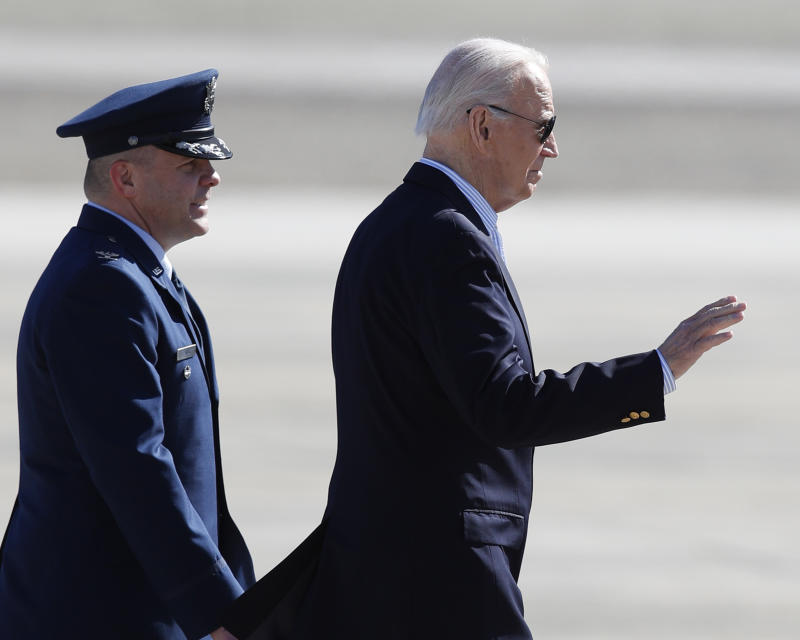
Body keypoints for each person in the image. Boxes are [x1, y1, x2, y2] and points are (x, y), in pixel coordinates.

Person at [220, 38, 746, 639]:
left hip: (396, 571)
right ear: (482, 127)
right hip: (440, 580)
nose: (552, 147)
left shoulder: (400, 221)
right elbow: (506, 406)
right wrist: (656, 370)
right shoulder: (445, 239)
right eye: (543, 124)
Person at [0, 69, 252, 640]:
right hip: (98, 615)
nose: (212, 178)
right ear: (124, 177)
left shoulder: (137, 275)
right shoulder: (104, 287)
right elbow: (138, 468)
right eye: (189, 166)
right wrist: (218, 610)